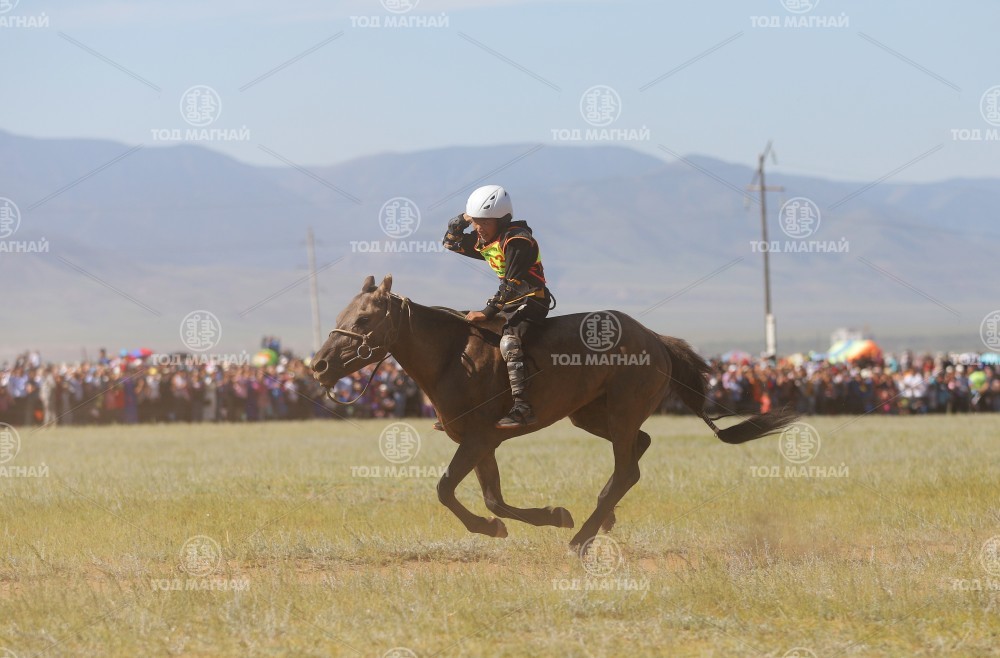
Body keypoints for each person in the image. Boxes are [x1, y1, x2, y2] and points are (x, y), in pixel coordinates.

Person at [440, 184, 551, 429]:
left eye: (485, 222)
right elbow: (450, 243)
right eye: (476, 222)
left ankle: (523, 408)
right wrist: (462, 220)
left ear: (502, 221)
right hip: (509, 303)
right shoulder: (486, 240)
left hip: (532, 300)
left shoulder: (518, 240)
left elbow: (512, 283)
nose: (479, 228)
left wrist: (487, 312)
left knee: (509, 342)